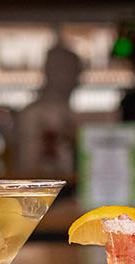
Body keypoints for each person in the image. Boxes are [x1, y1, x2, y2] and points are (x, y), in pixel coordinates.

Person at [7, 43, 82, 178]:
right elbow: (29, 170)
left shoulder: (68, 113)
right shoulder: (33, 115)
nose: (77, 80)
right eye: (70, 71)